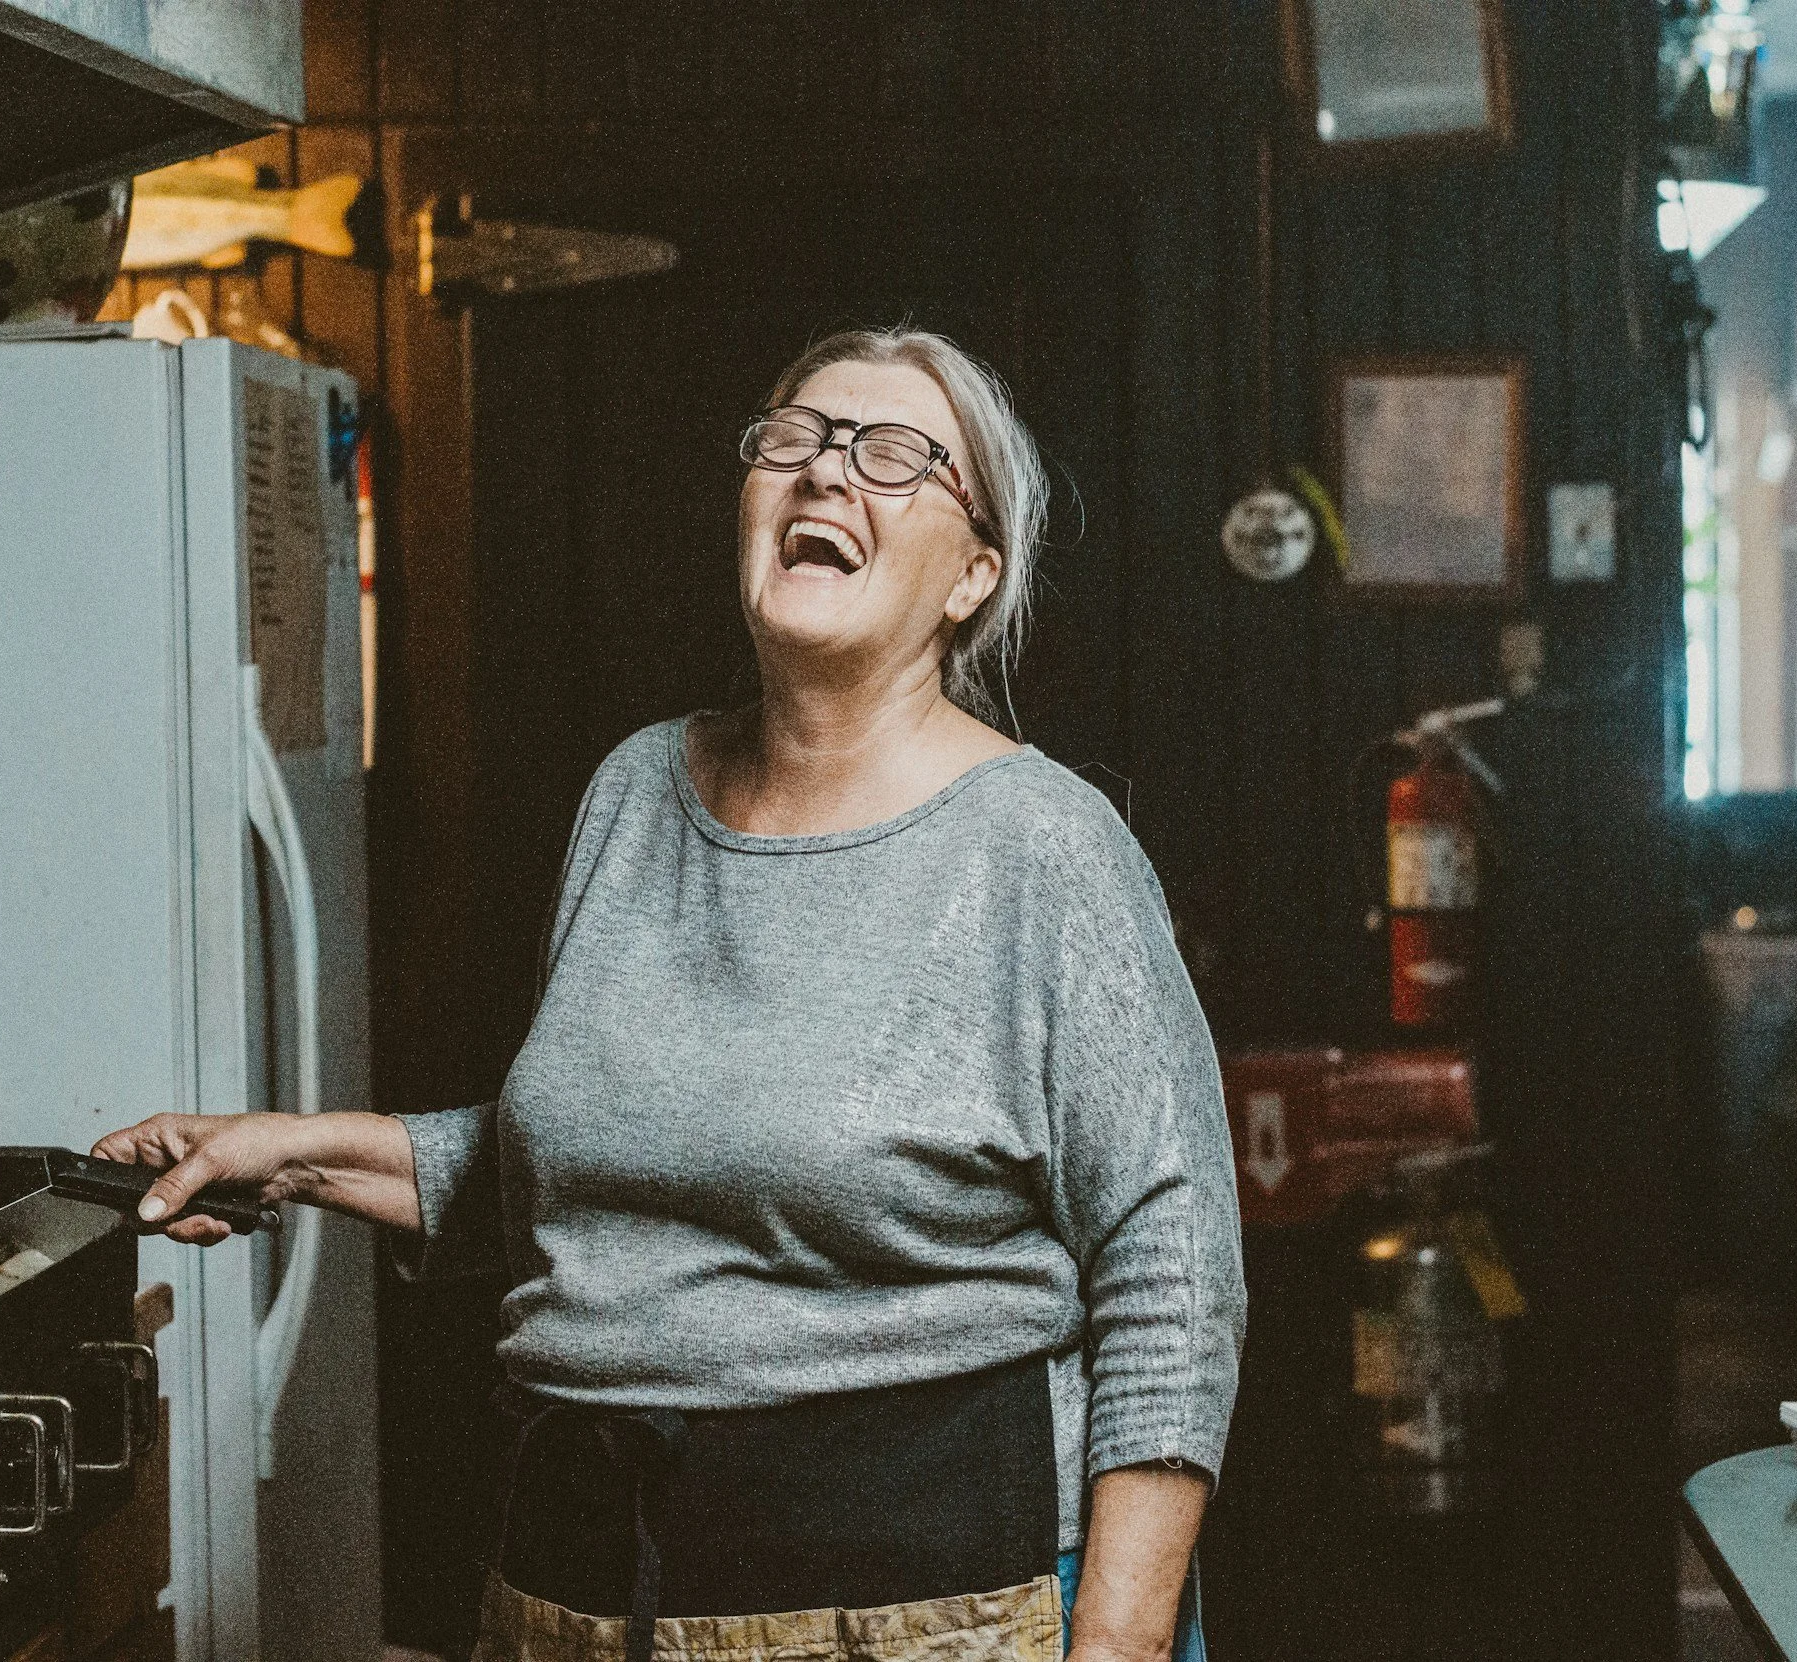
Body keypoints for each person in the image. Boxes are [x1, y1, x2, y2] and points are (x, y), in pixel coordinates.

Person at [95, 327, 1245, 1662]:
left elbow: (1175, 1271)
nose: (825, 475)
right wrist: (299, 1157)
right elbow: (610, 1161)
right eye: (795, 440)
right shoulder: (638, 791)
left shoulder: (1044, 849)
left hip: (921, 1606)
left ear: (974, 574)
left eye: (891, 455)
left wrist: (1116, 1644)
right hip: (571, 1592)